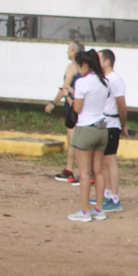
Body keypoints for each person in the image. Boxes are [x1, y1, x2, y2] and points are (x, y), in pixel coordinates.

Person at [66, 50, 110, 222]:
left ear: (84, 65)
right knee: (98, 172)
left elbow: (77, 109)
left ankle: (84, 211)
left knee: (84, 174)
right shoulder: (104, 81)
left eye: (78, 66)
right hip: (101, 129)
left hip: (85, 129)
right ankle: (99, 209)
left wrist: (69, 97)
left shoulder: (82, 82)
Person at [45, 40, 84, 185]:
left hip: (71, 105)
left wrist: (53, 103)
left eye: (69, 49)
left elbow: (65, 88)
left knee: (73, 140)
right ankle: (73, 170)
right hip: (83, 106)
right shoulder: (86, 68)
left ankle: (73, 171)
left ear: (75, 51)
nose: (67, 52)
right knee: (79, 140)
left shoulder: (72, 67)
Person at [98, 49, 127, 212]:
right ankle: (107, 194)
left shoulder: (115, 80)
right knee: (103, 161)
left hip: (112, 123)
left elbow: (122, 105)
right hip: (104, 123)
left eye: (99, 59)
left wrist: (122, 124)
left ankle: (115, 198)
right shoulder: (105, 79)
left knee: (110, 161)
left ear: (107, 61)